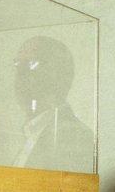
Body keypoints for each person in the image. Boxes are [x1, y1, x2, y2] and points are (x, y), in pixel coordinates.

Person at [12, 36, 94, 172]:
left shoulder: (76, 137)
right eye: (18, 65)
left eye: (32, 64)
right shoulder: (29, 133)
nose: (20, 74)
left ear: (60, 76)